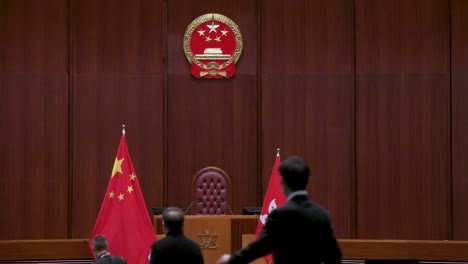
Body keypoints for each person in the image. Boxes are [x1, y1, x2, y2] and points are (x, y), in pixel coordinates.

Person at [217, 156, 342, 264]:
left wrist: (231, 259)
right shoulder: (322, 215)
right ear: (308, 180)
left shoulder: (280, 215)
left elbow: (259, 248)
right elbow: (334, 257)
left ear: (282, 182)